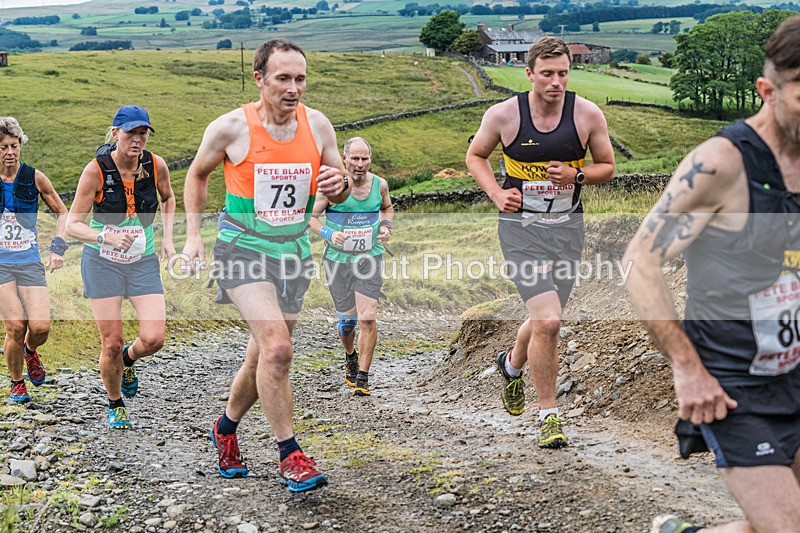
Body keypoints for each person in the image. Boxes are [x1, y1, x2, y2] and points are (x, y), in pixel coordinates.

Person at [623, 16, 800, 533]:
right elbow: (639, 262)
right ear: (767, 91)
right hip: (733, 382)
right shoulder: (721, 165)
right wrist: (686, 367)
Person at [182, 38, 349, 492]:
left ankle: (225, 428)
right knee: (278, 349)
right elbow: (197, 174)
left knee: (263, 353)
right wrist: (193, 235)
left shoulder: (318, 125)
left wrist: (337, 186)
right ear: (259, 79)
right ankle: (290, 454)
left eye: (301, 79)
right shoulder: (231, 128)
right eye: (283, 79)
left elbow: (340, 187)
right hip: (242, 249)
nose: (293, 88)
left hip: (293, 252)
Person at [466, 37, 615, 448]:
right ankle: (549, 415)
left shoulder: (587, 114)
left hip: (567, 229)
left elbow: (607, 167)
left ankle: (511, 365)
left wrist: (577, 175)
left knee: (545, 318)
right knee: (549, 321)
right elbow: (475, 156)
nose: (556, 82)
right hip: (521, 231)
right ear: (529, 73)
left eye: (563, 73)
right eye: (547, 74)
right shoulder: (504, 115)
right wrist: (497, 193)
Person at [66, 105, 176, 430]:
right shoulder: (95, 171)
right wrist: (105, 236)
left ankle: (129, 359)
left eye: (143, 133)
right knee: (111, 343)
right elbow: (72, 224)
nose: (137, 140)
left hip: (142, 261)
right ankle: (115, 403)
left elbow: (168, 198)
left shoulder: (156, 165)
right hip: (102, 263)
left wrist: (168, 239)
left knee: (154, 338)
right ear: (116, 133)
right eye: (131, 133)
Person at [309, 137, 393, 397]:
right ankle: (350, 355)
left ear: (370, 159)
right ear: (344, 159)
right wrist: (328, 233)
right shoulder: (331, 187)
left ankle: (363, 378)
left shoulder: (379, 185)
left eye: (364, 158)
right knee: (347, 324)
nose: (360, 164)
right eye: (354, 158)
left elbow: (387, 207)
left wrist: (386, 225)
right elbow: (309, 218)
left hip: (369, 257)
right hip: (337, 260)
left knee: (368, 316)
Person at [0, 117, 68, 404]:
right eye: (3, 147)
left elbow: (62, 213)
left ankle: (30, 352)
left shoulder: (35, 177)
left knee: (40, 327)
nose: (9, 152)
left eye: (14, 146)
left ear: (21, 145)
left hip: (29, 261)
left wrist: (57, 247)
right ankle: (17, 383)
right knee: (15, 326)